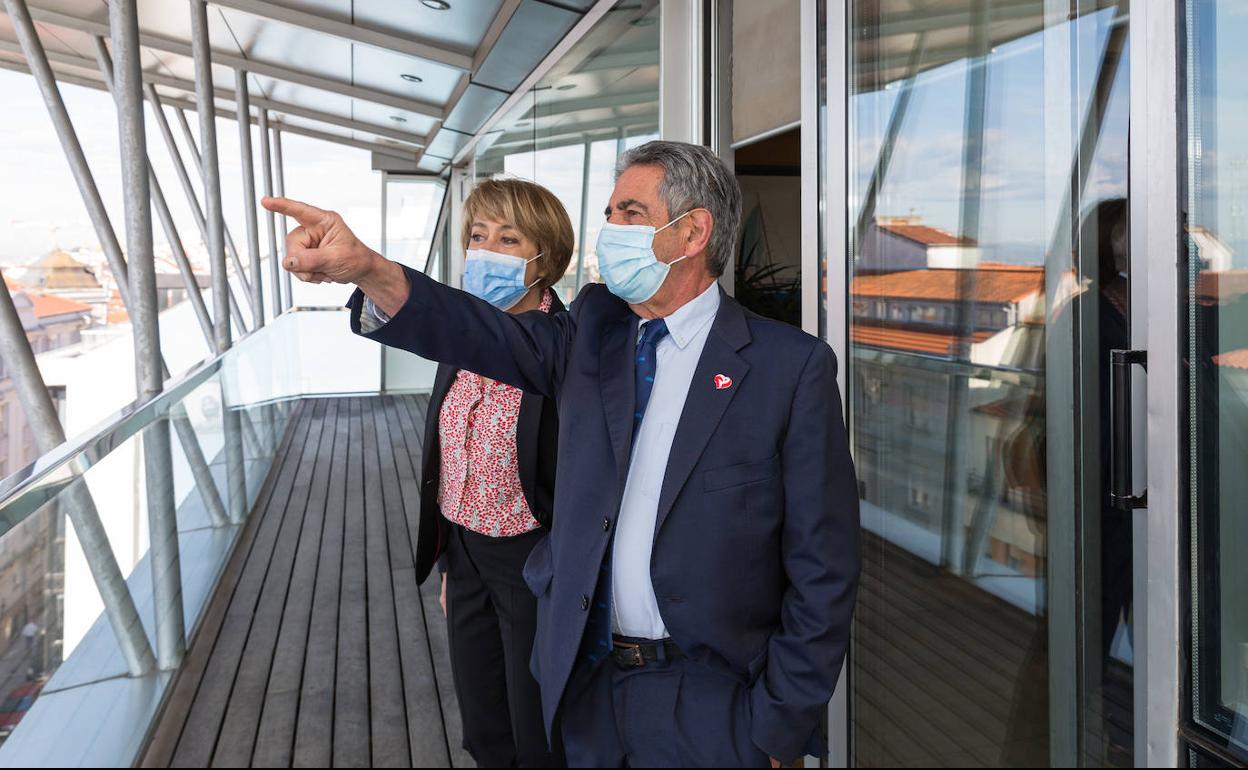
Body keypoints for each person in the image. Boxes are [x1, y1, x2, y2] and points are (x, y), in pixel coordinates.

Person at [263, 140, 861, 768]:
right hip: (587, 681)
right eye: (610, 212)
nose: (611, 230)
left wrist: (778, 726)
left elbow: (823, 565)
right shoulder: (591, 334)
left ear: (692, 232)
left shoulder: (787, 368)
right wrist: (368, 270)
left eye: (630, 213)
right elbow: (477, 331)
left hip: (714, 700)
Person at [372, 179, 569, 768]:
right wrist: (452, 562)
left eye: (508, 238)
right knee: (484, 728)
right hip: (466, 556)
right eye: (477, 235)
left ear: (546, 257)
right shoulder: (464, 342)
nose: (485, 250)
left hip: (536, 561)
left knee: (538, 731)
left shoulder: (568, 346)